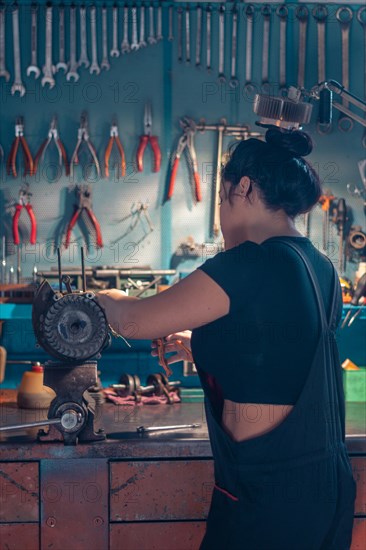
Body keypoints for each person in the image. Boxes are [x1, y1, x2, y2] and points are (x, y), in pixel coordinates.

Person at [97, 128, 356, 550]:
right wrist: (197, 341)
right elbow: (281, 356)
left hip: (269, 490)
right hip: (324, 483)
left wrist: (99, 295)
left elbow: (133, 321)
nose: (220, 214)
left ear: (244, 187)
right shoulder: (320, 266)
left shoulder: (251, 260)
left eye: (221, 199)